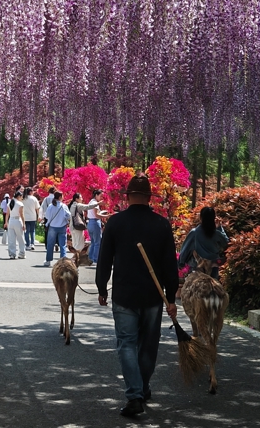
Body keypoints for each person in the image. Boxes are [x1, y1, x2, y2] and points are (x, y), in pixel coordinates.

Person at [95, 173, 178, 419]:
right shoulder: (161, 224)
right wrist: (171, 296)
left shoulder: (116, 223)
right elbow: (169, 265)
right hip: (153, 296)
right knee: (149, 345)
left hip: (124, 294)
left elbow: (105, 259)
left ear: (129, 196)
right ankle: (142, 388)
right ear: (148, 198)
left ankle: (135, 395)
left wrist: (101, 287)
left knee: (127, 344)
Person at [177, 206, 229, 280]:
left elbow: (185, 251)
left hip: (197, 269)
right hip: (213, 269)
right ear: (214, 219)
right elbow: (226, 243)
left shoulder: (194, 233)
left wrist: (180, 264)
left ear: (201, 218)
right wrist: (220, 228)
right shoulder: (217, 233)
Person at [43, 191, 71, 268]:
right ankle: (63, 261)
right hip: (62, 227)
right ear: (59, 197)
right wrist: (64, 219)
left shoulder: (50, 206)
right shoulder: (63, 206)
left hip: (52, 227)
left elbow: (47, 216)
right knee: (62, 245)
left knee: (50, 244)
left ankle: (48, 261)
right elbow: (68, 215)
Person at [86, 189, 109, 265]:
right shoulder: (95, 203)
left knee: (93, 242)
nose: (101, 197)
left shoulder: (91, 202)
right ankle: (96, 259)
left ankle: (90, 258)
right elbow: (96, 215)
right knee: (97, 243)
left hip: (90, 222)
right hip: (95, 222)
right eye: (100, 196)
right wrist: (107, 216)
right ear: (96, 195)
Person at [5, 191, 26, 259]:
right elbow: (21, 214)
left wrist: (6, 222)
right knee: (20, 238)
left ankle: (12, 254)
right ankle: (21, 253)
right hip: (18, 220)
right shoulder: (20, 204)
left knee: (11, 239)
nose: (22, 198)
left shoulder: (9, 203)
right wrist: (24, 223)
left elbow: (7, 213)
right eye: (21, 196)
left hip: (11, 221)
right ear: (19, 196)